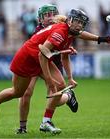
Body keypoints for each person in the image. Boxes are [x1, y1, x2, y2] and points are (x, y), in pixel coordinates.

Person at [0, 9, 110, 135]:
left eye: (81, 23)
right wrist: (49, 80)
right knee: (18, 92)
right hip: (27, 59)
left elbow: (81, 34)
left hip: (39, 57)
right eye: (77, 21)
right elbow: (42, 54)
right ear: (70, 20)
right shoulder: (61, 32)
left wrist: (101, 39)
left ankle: (46, 122)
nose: (79, 25)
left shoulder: (70, 30)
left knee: (60, 86)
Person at [16, 4, 65, 134]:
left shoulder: (61, 28)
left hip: (51, 63)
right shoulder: (39, 30)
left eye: (53, 14)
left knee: (55, 95)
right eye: (47, 15)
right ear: (40, 19)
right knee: (26, 93)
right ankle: (22, 128)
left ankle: (46, 121)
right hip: (35, 62)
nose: (51, 17)